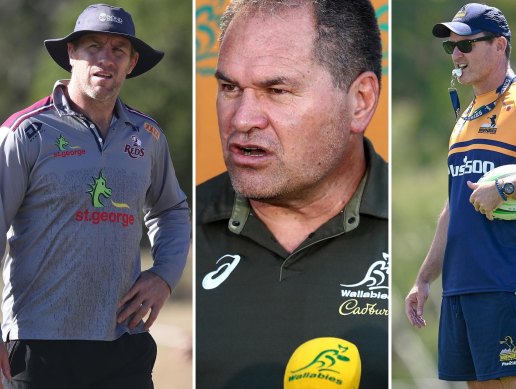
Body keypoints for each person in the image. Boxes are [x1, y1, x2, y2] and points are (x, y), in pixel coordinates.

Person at [196, 0, 388, 388]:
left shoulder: (425, 231)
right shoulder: (181, 224)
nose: (243, 119)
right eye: (229, 87)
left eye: (277, 90)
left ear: (360, 101)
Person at [0, 4, 191, 388]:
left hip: (123, 343)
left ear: (132, 62)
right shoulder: (25, 132)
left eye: (118, 49)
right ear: (71, 54)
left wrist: (164, 276)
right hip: (39, 345)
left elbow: (171, 210)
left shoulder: (147, 136)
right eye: (92, 47)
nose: (105, 59)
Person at [405, 3, 516, 388]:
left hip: (509, 285)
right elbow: (455, 205)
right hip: (460, 290)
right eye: (451, 47)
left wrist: (505, 187)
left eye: (466, 45)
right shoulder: (466, 118)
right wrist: (425, 277)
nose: (456, 55)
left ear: (499, 45)